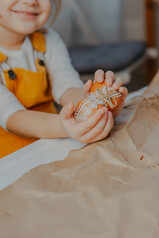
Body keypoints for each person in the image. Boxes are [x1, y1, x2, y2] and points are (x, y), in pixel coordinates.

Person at [0, 0, 128, 158]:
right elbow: (13, 118)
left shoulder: (49, 40)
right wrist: (64, 126)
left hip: (51, 143)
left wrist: (94, 105)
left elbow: (67, 88)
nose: (31, 1)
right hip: (10, 158)